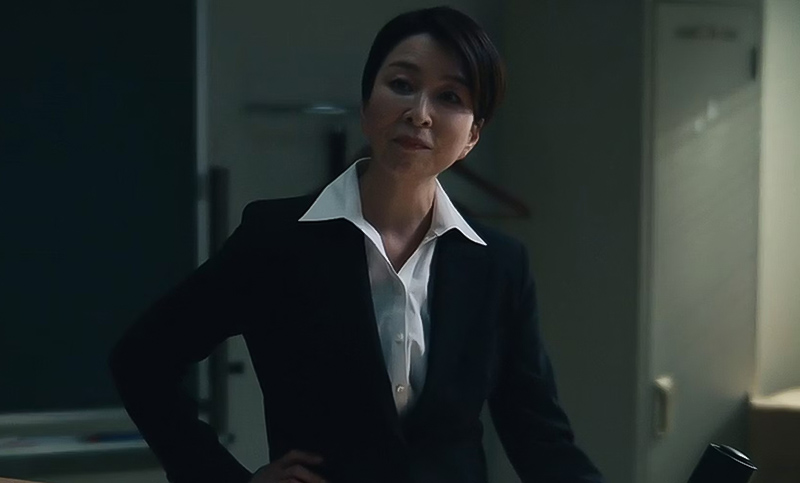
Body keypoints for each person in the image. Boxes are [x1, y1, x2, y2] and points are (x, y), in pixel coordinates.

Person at [109, 6, 605, 483]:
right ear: (367, 106)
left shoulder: (498, 264)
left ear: (472, 135)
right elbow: (142, 362)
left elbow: (538, 434)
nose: (420, 114)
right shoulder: (277, 240)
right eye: (402, 85)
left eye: (450, 97)